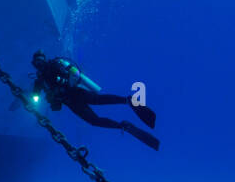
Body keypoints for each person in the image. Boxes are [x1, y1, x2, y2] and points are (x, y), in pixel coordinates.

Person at [30, 51, 159, 151]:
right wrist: (35, 99)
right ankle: (122, 125)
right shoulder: (39, 81)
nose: (39, 65)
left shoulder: (55, 65)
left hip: (76, 93)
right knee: (94, 121)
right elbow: (35, 96)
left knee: (99, 100)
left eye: (40, 61)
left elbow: (74, 74)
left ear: (44, 59)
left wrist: (64, 87)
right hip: (71, 103)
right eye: (36, 63)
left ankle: (128, 100)